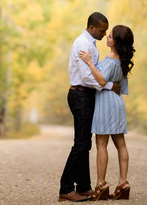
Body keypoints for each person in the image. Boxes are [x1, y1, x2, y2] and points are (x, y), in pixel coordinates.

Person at [58, 12, 120, 202]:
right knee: (81, 144)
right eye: (102, 30)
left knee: (85, 142)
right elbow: (86, 77)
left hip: (85, 95)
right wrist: (109, 85)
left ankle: (83, 186)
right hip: (80, 95)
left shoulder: (90, 44)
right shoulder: (83, 44)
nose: (105, 33)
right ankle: (66, 189)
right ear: (92, 28)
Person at [78, 25, 135, 201]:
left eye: (110, 37)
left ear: (116, 42)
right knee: (121, 144)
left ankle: (101, 184)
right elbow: (121, 87)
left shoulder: (110, 59)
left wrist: (89, 61)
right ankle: (123, 183)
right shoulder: (122, 62)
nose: (107, 38)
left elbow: (101, 80)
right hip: (118, 104)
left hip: (106, 103)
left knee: (101, 144)